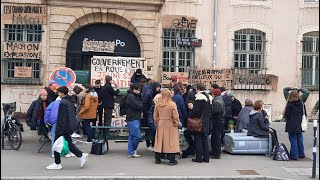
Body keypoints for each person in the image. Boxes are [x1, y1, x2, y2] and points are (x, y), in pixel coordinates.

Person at [46, 86, 88, 170]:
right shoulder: (69, 101)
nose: (58, 94)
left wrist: (59, 130)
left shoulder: (63, 103)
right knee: (68, 143)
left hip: (63, 127)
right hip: (68, 126)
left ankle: (57, 163)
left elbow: (62, 117)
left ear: (62, 93)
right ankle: (80, 155)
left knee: (56, 144)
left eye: (59, 92)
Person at [153, 89, 180, 166]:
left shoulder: (158, 104)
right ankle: (172, 160)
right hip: (170, 123)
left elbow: (155, 115)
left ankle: (157, 158)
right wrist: (176, 123)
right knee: (170, 141)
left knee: (159, 141)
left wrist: (157, 121)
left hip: (161, 123)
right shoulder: (172, 104)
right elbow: (175, 115)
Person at [283, 87, 310, 160]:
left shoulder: (289, 102)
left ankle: (294, 155)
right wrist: (300, 88)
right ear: (298, 94)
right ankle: (301, 154)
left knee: (293, 139)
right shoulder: (301, 101)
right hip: (299, 123)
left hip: (291, 124)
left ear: (290, 95)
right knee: (300, 138)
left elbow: (284, 90)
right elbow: (307, 92)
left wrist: (290, 88)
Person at [188, 83, 210, 163]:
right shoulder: (208, 97)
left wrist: (190, 113)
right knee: (205, 140)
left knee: (198, 140)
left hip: (199, 122)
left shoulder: (199, 98)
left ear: (198, 89)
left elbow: (196, 111)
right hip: (206, 121)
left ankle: (199, 158)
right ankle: (206, 158)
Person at [141, 81, 161, 150]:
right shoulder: (149, 93)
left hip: (151, 113)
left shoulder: (153, 92)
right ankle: (148, 145)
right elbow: (144, 103)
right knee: (148, 130)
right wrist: (147, 112)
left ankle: (152, 144)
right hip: (148, 114)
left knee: (151, 130)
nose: (159, 89)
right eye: (158, 87)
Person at [125, 83, 143, 158]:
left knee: (132, 136)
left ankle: (131, 152)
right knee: (137, 136)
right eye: (138, 90)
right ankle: (133, 150)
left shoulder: (132, 96)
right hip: (133, 118)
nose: (139, 91)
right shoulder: (131, 96)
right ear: (134, 89)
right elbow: (138, 106)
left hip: (132, 118)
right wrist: (140, 105)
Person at [210, 88, 225, 159]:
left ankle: (216, 153)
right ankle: (216, 152)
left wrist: (210, 113)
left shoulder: (216, 102)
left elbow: (216, 111)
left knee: (215, 137)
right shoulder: (220, 100)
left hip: (217, 121)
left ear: (214, 94)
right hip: (220, 120)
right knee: (217, 137)